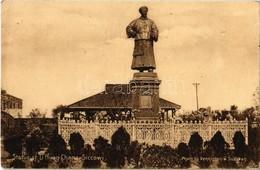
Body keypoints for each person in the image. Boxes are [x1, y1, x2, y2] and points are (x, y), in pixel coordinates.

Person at [126, 6, 159, 72]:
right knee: (139, 55)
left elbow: (155, 29)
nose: (144, 12)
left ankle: (150, 67)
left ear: (147, 12)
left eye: (145, 11)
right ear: (140, 12)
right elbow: (129, 28)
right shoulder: (136, 21)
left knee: (148, 54)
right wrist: (134, 33)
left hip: (148, 41)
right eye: (143, 11)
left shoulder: (151, 22)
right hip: (139, 41)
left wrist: (153, 34)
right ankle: (140, 68)